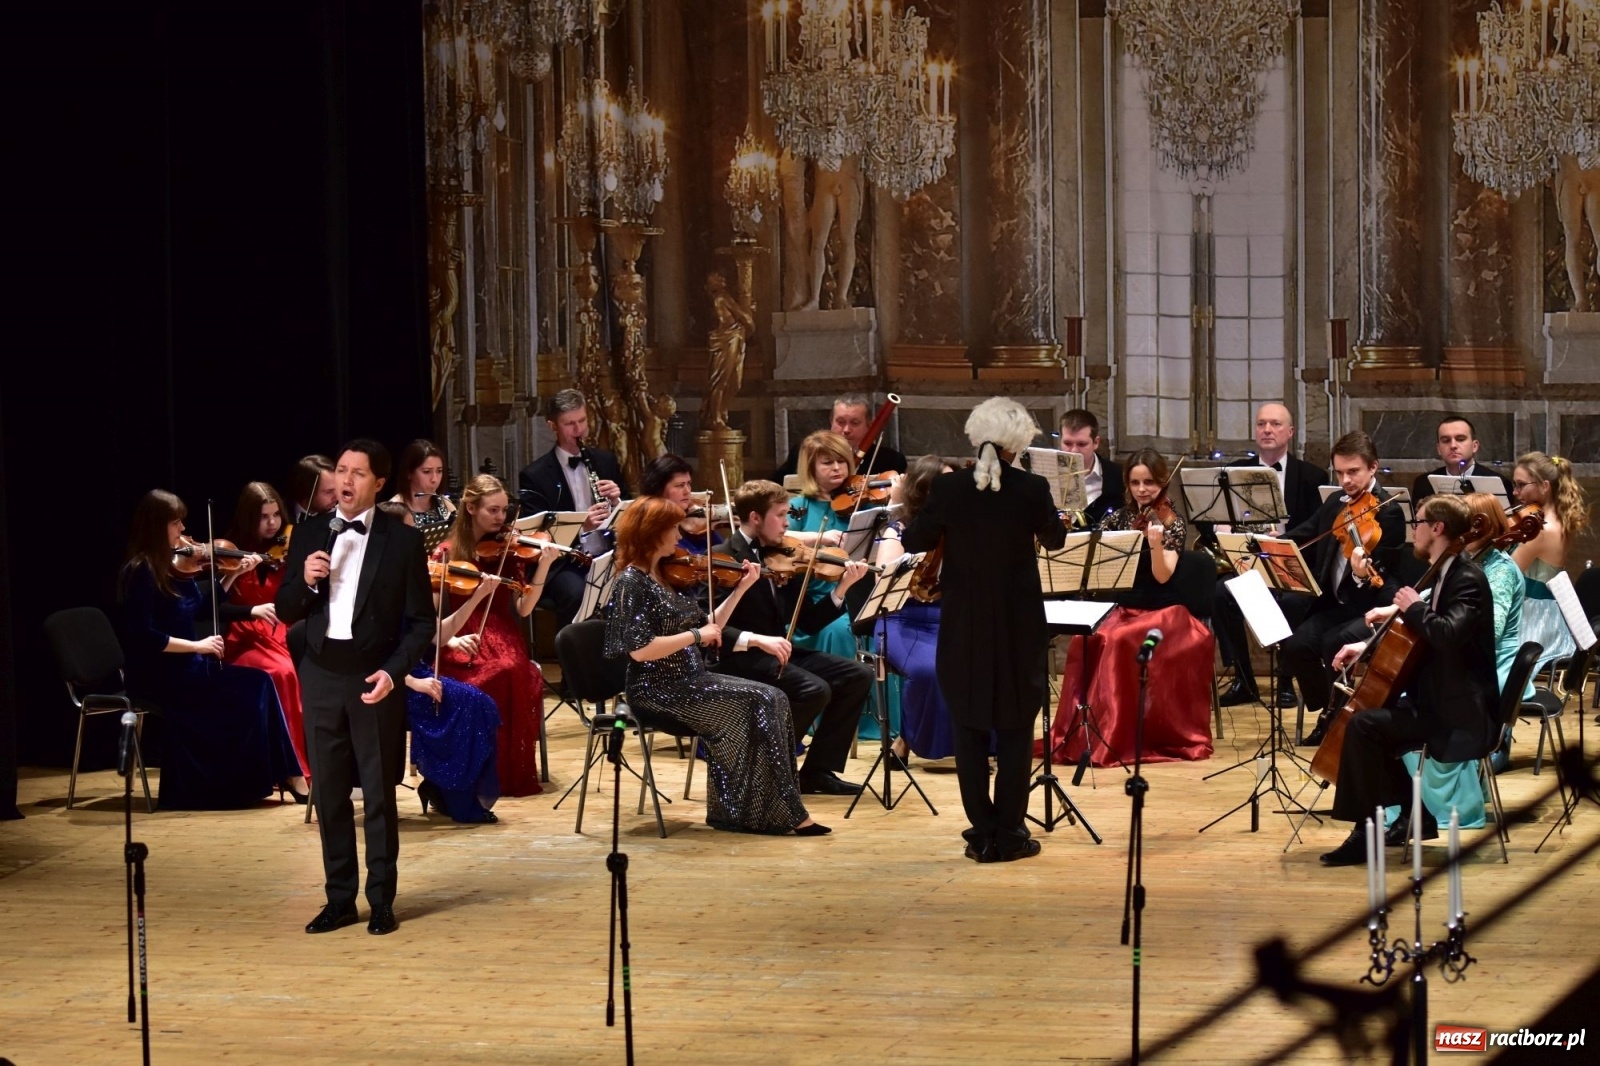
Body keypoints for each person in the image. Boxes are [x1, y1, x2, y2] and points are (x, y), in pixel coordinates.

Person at [276, 440, 435, 936]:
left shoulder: (402, 541)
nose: (345, 481)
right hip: (322, 676)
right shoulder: (306, 534)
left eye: (357, 473)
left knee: (379, 796)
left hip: (374, 677)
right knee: (328, 794)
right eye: (340, 471)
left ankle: (382, 900)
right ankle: (339, 899)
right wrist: (304, 581)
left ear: (379, 483)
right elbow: (286, 609)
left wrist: (393, 672)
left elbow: (420, 624)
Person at [604, 495, 830, 836]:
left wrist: (740, 589)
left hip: (691, 679)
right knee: (764, 699)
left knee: (773, 697)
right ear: (652, 533)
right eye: (672, 529)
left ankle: (748, 811)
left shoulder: (667, 575)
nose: (679, 536)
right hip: (657, 690)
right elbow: (640, 650)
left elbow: (710, 624)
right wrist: (695, 635)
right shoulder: (631, 583)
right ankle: (774, 812)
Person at [903, 398, 1067, 863]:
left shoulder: (949, 489)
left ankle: (981, 833)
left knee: (969, 728)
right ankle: (1011, 834)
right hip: (1018, 625)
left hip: (964, 625)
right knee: (1015, 727)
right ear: (1020, 443)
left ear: (976, 437)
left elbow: (916, 539)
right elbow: (1054, 540)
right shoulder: (1032, 489)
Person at [1318, 494, 1499, 866]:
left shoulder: (1467, 579)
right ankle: (1410, 817)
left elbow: (1446, 634)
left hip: (1457, 713)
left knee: (1365, 725)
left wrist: (1413, 605)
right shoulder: (1443, 574)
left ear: (1438, 528)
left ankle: (1368, 831)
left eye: (1418, 524)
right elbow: (1414, 637)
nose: (1412, 532)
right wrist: (1366, 648)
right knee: (1367, 723)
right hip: (1436, 699)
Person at [118, 490, 303, 810]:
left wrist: (235, 575)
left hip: (191, 667)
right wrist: (196, 645)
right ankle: (227, 786)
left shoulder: (177, 565)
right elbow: (142, 635)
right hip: (162, 673)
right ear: (156, 525)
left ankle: (283, 774)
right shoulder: (142, 570)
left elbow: (203, 609)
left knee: (260, 682)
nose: (183, 530)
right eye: (175, 522)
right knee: (245, 692)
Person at [1046, 449, 1215, 767]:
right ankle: (1085, 732)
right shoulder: (1118, 518)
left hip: (1162, 612)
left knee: (1118, 640)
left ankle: (1115, 734)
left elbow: (1163, 577)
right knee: (1085, 638)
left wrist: (1154, 544)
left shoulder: (1172, 523)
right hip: (1123, 606)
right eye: (1135, 482)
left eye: (1149, 482)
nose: (1142, 490)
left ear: (1162, 482)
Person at [716, 479, 873, 795]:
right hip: (738, 658)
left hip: (777, 654)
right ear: (756, 518)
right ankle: (766, 766)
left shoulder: (781, 559)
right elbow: (709, 627)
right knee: (814, 689)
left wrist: (842, 587)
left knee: (858, 674)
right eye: (781, 515)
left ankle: (816, 772)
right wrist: (757, 639)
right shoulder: (722, 558)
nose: (789, 524)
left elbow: (809, 622)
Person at [432, 474, 561, 798]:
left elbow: (524, 608)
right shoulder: (446, 553)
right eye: (493, 510)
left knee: (510, 670)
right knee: (480, 681)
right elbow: (429, 618)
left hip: (502, 630)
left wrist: (542, 566)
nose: (501, 518)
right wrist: (449, 641)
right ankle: (472, 772)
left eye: (505, 510)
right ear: (471, 508)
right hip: (459, 631)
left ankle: (504, 773)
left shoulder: (511, 552)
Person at [377, 501, 502, 826]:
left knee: (483, 705)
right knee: (471, 704)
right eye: (409, 529)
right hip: (391, 679)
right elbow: (372, 652)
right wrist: (413, 682)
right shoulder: (375, 584)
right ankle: (450, 793)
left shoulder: (410, 576)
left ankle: (442, 788)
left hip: (415, 671)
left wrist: (476, 597)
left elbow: (436, 634)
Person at [1283, 431, 1408, 747]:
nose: (1346, 480)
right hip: (1334, 604)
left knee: (1333, 643)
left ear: (1373, 468)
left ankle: (1335, 723)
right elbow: (1306, 533)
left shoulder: (1389, 512)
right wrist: (1275, 541)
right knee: (1295, 645)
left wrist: (1359, 574)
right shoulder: (1335, 504)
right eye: (1340, 472)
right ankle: (1329, 708)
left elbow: (1382, 574)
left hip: (1369, 606)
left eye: (1353, 472)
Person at [1213, 402, 1329, 707]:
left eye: (1275, 424)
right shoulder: (1235, 471)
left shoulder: (1313, 475)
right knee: (1220, 594)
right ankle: (1243, 679)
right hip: (1248, 564)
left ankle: (1286, 680)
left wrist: (1284, 540)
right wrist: (1226, 530)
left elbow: (1319, 530)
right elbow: (1220, 517)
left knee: (1292, 600)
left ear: (1290, 432)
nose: (1267, 429)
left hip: (1292, 564)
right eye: (1262, 424)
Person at [223, 481, 310, 791]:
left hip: (281, 627)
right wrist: (235, 572)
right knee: (281, 672)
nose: (273, 523)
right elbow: (214, 603)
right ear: (249, 518)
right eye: (264, 517)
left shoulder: (284, 550)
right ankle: (292, 768)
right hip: (244, 634)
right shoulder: (230, 551)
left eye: (276, 514)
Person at [517, 389, 628, 626]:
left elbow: (631, 514)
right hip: (563, 562)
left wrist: (617, 503)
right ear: (552, 426)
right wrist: (580, 525)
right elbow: (535, 536)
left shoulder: (605, 461)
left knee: (632, 587)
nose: (579, 430)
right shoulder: (534, 476)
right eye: (569, 424)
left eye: (582, 421)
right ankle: (574, 659)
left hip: (608, 555)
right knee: (576, 593)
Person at [874, 455, 955, 763]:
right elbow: (886, 582)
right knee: (928, 670)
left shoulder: (960, 530)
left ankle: (972, 745)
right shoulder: (899, 529)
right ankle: (911, 740)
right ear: (924, 490)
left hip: (948, 618)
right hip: (900, 620)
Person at [1510, 451, 1589, 677]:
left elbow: (1507, 574)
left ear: (1544, 486)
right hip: (1549, 612)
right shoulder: (1560, 519)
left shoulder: (1541, 530)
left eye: (1521, 485)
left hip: (1533, 618)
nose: (1516, 493)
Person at [773, 395, 906, 482]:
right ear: (831, 421)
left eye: (855, 423)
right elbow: (777, 487)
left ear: (869, 425)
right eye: (840, 422)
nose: (846, 430)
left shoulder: (892, 460)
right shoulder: (805, 451)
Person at [1408, 414, 1516, 503]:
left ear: (1475, 446)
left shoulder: (1498, 482)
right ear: (1439, 449)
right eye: (1446, 440)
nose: (1453, 445)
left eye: (1460, 439)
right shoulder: (1423, 483)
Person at [1057, 409, 1123, 528]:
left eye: (1081, 444)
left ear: (1096, 442)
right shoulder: (1046, 473)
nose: (1074, 451)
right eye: (1067, 443)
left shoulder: (1117, 475)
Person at [389, 439, 457, 548]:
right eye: (426, 472)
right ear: (409, 473)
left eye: (439, 471)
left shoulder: (445, 505)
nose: (434, 479)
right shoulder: (395, 508)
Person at [286, 454, 337, 522]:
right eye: (329, 492)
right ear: (307, 491)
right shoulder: (280, 516)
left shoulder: (339, 515)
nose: (337, 497)